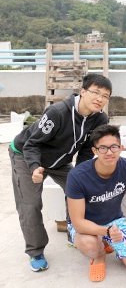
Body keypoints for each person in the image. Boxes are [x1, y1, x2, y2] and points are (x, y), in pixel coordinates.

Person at [9, 73, 112, 272]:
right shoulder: (57, 112)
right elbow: (32, 144)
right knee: (30, 205)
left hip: (60, 160)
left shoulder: (100, 118)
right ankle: (35, 251)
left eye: (106, 96)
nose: (100, 99)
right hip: (27, 156)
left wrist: (82, 175)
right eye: (95, 92)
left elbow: (85, 151)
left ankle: (74, 232)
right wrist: (34, 168)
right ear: (82, 92)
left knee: (81, 192)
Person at [66, 125, 126, 282]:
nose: (109, 152)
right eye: (103, 148)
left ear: (121, 148)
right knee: (91, 245)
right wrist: (106, 231)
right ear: (94, 151)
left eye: (114, 147)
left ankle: (108, 242)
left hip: (114, 222)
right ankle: (99, 256)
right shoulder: (78, 176)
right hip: (86, 225)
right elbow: (78, 222)